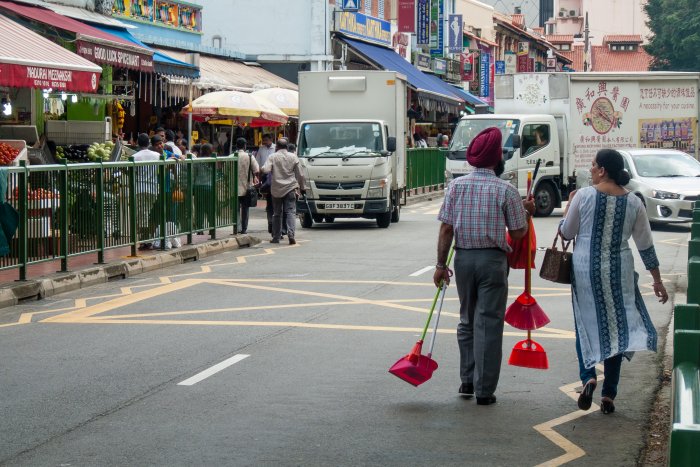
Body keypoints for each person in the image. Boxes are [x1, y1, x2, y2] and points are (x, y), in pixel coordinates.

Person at [559, 149, 668, 415]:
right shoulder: (634, 203)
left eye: (594, 165)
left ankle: (589, 378)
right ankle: (609, 394)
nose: (592, 169)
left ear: (603, 170)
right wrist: (657, 280)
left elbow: (566, 232)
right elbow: (645, 245)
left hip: (585, 270)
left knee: (586, 324)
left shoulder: (583, 196)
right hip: (620, 270)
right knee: (616, 329)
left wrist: (568, 208)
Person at [433, 127, 535, 406]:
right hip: (492, 262)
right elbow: (516, 233)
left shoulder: (456, 186)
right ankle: (484, 390)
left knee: (466, 319)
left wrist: (441, 265)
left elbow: (446, 230)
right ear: (496, 159)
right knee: (488, 323)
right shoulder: (506, 190)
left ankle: (466, 380)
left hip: (463, 259)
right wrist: (526, 212)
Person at [262, 138, 305, 245]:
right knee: (290, 212)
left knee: (277, 213)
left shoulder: (272, 156)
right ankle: (291, 234)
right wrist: (302, 187)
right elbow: (300, 174)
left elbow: (266, 169)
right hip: (290, 188)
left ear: (277, 147)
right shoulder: (293, 157)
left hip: (276, 189)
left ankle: (276, 237)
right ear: (286, 147)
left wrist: (263, 168)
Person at [132, 133, 161, 250]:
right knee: (147, 213)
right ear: (148, 143)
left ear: (138, 143)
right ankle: (146, 239)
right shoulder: (156, 155)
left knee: (141, 214)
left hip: (140, 188)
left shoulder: (135, 156)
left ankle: (144, 240)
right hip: (153, 189)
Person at [236, 137, 259, 234]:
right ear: (245, 146)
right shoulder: (250, 156)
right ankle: (244, 229)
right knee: (245, 209)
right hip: (247, 187)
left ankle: (237, 228)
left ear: (236, 146)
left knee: (236, 210)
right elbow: (256, 170)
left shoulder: (231, 155)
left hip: (234, 187)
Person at [256, 133, 277, 232]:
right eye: (263, 140)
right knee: (269, 199)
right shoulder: (261, 149)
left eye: (266, 140)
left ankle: (274, 223)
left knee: (275, 201)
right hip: (265, 175)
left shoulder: (276, 148)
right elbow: (258, 162)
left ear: (271, 139)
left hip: (275, 175)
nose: (265, 142)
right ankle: (271, 222)